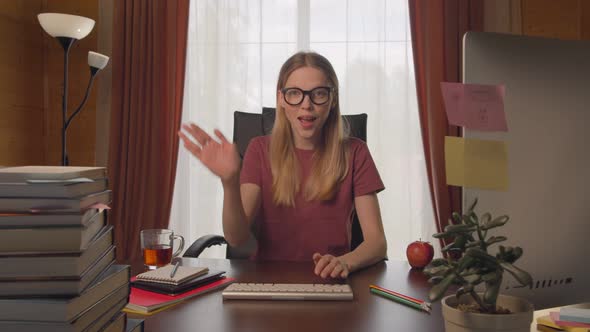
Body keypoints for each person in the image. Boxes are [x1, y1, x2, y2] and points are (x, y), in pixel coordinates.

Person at [178, 51, 387, 279]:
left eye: (318, 93)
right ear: (281, 98)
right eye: (295, 93)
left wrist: (345, 262)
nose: (306, 105)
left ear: (333, 99)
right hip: (267, 281)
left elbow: (377, 243)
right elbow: (236, 239)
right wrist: (230, 183)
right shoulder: (259, 149)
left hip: (331, 282)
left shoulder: (356, 152)